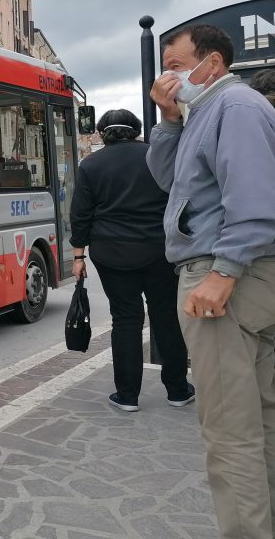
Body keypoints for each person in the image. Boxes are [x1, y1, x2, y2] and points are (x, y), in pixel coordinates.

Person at [147, 23, 275, 539]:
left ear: (213, 63)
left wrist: (223, 273)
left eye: (176, 66)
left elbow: (255, 199)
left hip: (224, 276)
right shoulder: (210, 111)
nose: (168, 77)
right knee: (261, 419)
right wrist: (168, 118)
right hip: (236, 274)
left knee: (229, 429)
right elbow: (169, 181)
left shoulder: (235, 108)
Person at [69, 109, 192, 413]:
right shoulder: (157, 156)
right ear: (136, 130)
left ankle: (127, 396)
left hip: (111, 252)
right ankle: (177, 389)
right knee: (166, 316)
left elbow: (80, 214)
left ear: (101, 132)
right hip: (159, 249)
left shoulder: (91, 164)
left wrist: (78, 255)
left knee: (126, 319)